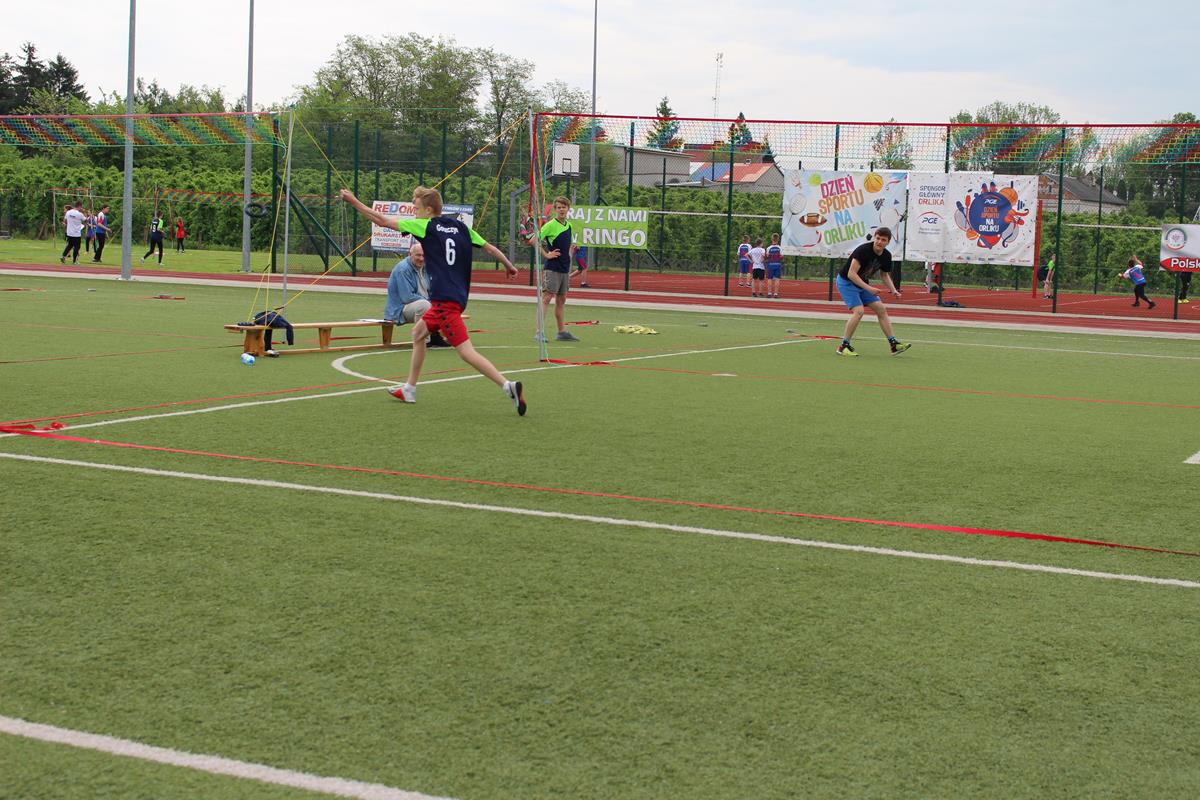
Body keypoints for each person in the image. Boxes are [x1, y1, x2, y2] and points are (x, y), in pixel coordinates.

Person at [340, 185, 527, 415]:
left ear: (429, 210)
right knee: (418, 333)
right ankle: (409, 388)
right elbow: (490, 249)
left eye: (416, 208)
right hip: (452, 299)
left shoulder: (426, 225)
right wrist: (509, 266)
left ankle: (508, 386)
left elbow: (382, 220)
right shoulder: (462, 227)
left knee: (465, 352)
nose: (414, 211)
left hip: (445, 302)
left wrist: (353, 201)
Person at [834, 228, 912, 357]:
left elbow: (884, 275)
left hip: (861, 283)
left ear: (888, 242)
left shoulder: (886, 256)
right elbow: (851, 274)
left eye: (883, 240)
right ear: (874, 238)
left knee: (881, 309)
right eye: (878, 238)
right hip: (847, 282)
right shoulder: (863, 251)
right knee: (859, 311)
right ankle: (843, 346)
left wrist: (893, 290)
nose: (879, 242)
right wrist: (869, 288)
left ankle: (893, 344)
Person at [384, 241, 449, 347]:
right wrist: (431, 303)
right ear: (410, 254)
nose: (421, 258)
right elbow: (407, 297)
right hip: (400, 309)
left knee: (445, 302)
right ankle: (424, 340)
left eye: (424, 255)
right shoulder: (403, 269)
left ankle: (435, 335)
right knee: (424, 305)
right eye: (418, 255)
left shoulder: (425, 267)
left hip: (421, 304)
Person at [534, 195, 579, 342]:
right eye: (558, 207)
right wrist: (546, 254)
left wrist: (572, 251)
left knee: (561, 300)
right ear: (555, 209)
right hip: (552, 268)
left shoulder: (569, 225)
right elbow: (534, 240)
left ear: (568, 208)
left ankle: (561, 332)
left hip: (564, 269)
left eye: (564, 207)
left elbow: (567, 247)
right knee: (547, 298)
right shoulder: (550, 225)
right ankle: (539, 332)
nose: (561, 210)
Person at [765, 234, 783, 298]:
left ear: (772, 239)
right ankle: (775, 294)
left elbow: (767, 256)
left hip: (770, 265)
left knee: (769, 279)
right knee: (777, 279)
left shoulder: (768, 248)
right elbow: (782, 256)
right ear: (778, 239)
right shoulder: (780, 248)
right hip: (777, 264)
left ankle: (769, 293)